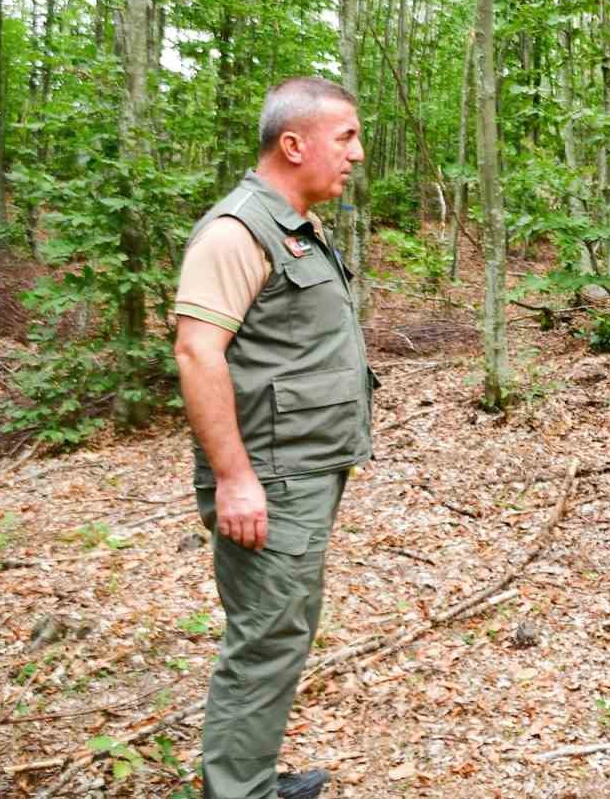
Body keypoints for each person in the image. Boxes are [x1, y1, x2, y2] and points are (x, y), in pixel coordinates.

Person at [174, 76, 375, 798]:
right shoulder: (236, 230)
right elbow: (198, 352)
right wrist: (234, 477)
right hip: (269, 474)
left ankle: (247, 777)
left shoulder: (295, 223)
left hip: (303, 468)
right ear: (293, 144)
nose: (356, 153)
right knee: (266, 636)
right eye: (345, 136)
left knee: (282, 629)